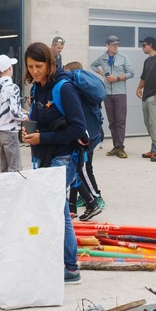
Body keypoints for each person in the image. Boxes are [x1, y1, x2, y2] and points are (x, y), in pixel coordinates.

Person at [22, 41, 87, 284]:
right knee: (48, 210)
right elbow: (38, 121)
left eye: (39, 66)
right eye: (31, 66)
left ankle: (71, 268)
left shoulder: (64, 88)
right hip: (44, 155)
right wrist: (28, 133)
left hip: (63, 156)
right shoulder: (36, 89)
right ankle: (53, 261)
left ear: (50, 63)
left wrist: (44, 137)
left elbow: (78, 128)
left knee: (60, 211)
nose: (35, 71)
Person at [63, 61, 105, 221]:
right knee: (79, 168)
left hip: (84, 137)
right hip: (93, 134)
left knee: (82, 170)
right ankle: (72, 206)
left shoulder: (76, 91)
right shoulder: (87, 89)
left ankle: (95, 199)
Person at [90, 35, 134, 158]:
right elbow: (93, 65)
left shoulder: (123, 57)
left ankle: (120, 147)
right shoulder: (103, 58)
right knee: (112, 121)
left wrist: (118, 78)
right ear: (108, 45)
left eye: (117, 44)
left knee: (120, 121)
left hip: (120, 93)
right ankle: (115, 146)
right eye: (113, 45)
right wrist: (102, 73)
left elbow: (131, 73)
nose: (116, 47)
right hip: (107, 94)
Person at [0, 54, 26, 172]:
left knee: (3, 168)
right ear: (9, 68)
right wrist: (26, 116)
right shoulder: (13, 87)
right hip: (9, 131)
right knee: (15, 168)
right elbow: (14, 113)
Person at [136, 36, 156, 161]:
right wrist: (138, 88)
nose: (143, 48)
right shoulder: (147, 61)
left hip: (155, 96)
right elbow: (143, 77)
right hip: (146, 95)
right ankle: (155, 149)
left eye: (144, 45)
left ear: (151, 45)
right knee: (148, 123)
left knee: (154, 124)